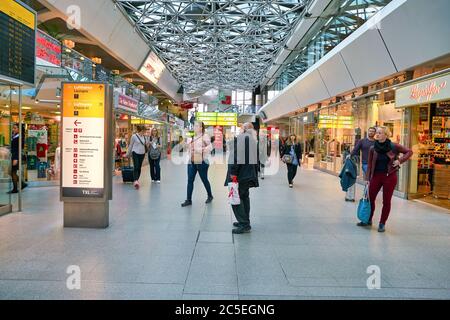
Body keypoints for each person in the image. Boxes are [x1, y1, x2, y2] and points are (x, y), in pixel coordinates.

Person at [360, 126, 413, 232]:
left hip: (390, 177)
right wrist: (367, 178)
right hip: (376, 176)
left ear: (386, 135)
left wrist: (399, 161)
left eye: (379, 133)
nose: (377, 134)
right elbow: (370, 165)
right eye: (377, 133)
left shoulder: (393, 146)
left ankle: (382, 223)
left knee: (386, 201)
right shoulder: (373, 148)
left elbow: (409, 152)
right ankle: (368, 219)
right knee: (370, 198)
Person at [225, 122, 259, 234]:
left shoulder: (241, 138)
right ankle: (245, 221)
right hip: (248, 174)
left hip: (240, 174)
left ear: (244, 129)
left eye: (241, 128)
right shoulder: (253, 139)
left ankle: (244, 224)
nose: (240, 129)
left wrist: (233, 172)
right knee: (244, 197)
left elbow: (236, 157)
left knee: (236, 197)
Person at [181, 121, 213, 207]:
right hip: (191, 161)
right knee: (190, 180)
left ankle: (210, 196)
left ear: (201, 128)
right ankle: (188, 200)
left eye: (196, 126)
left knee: (204, 180)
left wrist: (201, 150)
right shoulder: (191, 136)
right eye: (194, 126)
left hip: (202, 161)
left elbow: (210, 147)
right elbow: (185, 146)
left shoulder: (204, 136)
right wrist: (184, 139)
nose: (194, 127)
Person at [345, 127, 376, 201]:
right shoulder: (362, 141)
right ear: (368, 132)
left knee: (371, 180)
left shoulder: (376, 142)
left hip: (375, 164)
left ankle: (367, 194)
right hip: (366, 164)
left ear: (374, 133)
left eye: (372, 131)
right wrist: (350, 155)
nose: (371, 132)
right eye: (370, 131)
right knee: (369, 178)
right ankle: (366, 195)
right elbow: (356, 149)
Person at [126, 125, 147, 190]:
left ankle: (136, 180)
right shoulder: (134, 136)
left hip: (142, 153)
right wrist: (128, 153)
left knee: (139, 167)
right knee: (136, 166)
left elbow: (144, 144)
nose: (144, 132)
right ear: (140, 130)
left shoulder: (144, 137)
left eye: (144, 131)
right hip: (135, 152)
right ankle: (135, 181)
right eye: (143, 131)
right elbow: (131, 145)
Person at [9, 123, 27, 194]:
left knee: (13, 172)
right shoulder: (15, 136)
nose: (13, 129)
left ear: (19, 129)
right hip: (14, 155)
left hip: (16, 156)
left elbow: (19, 148)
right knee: (12, 172)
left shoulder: (19, 137)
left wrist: (16, 158)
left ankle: (15, 188)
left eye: (15, 128)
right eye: (13, 128)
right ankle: (22, 184)